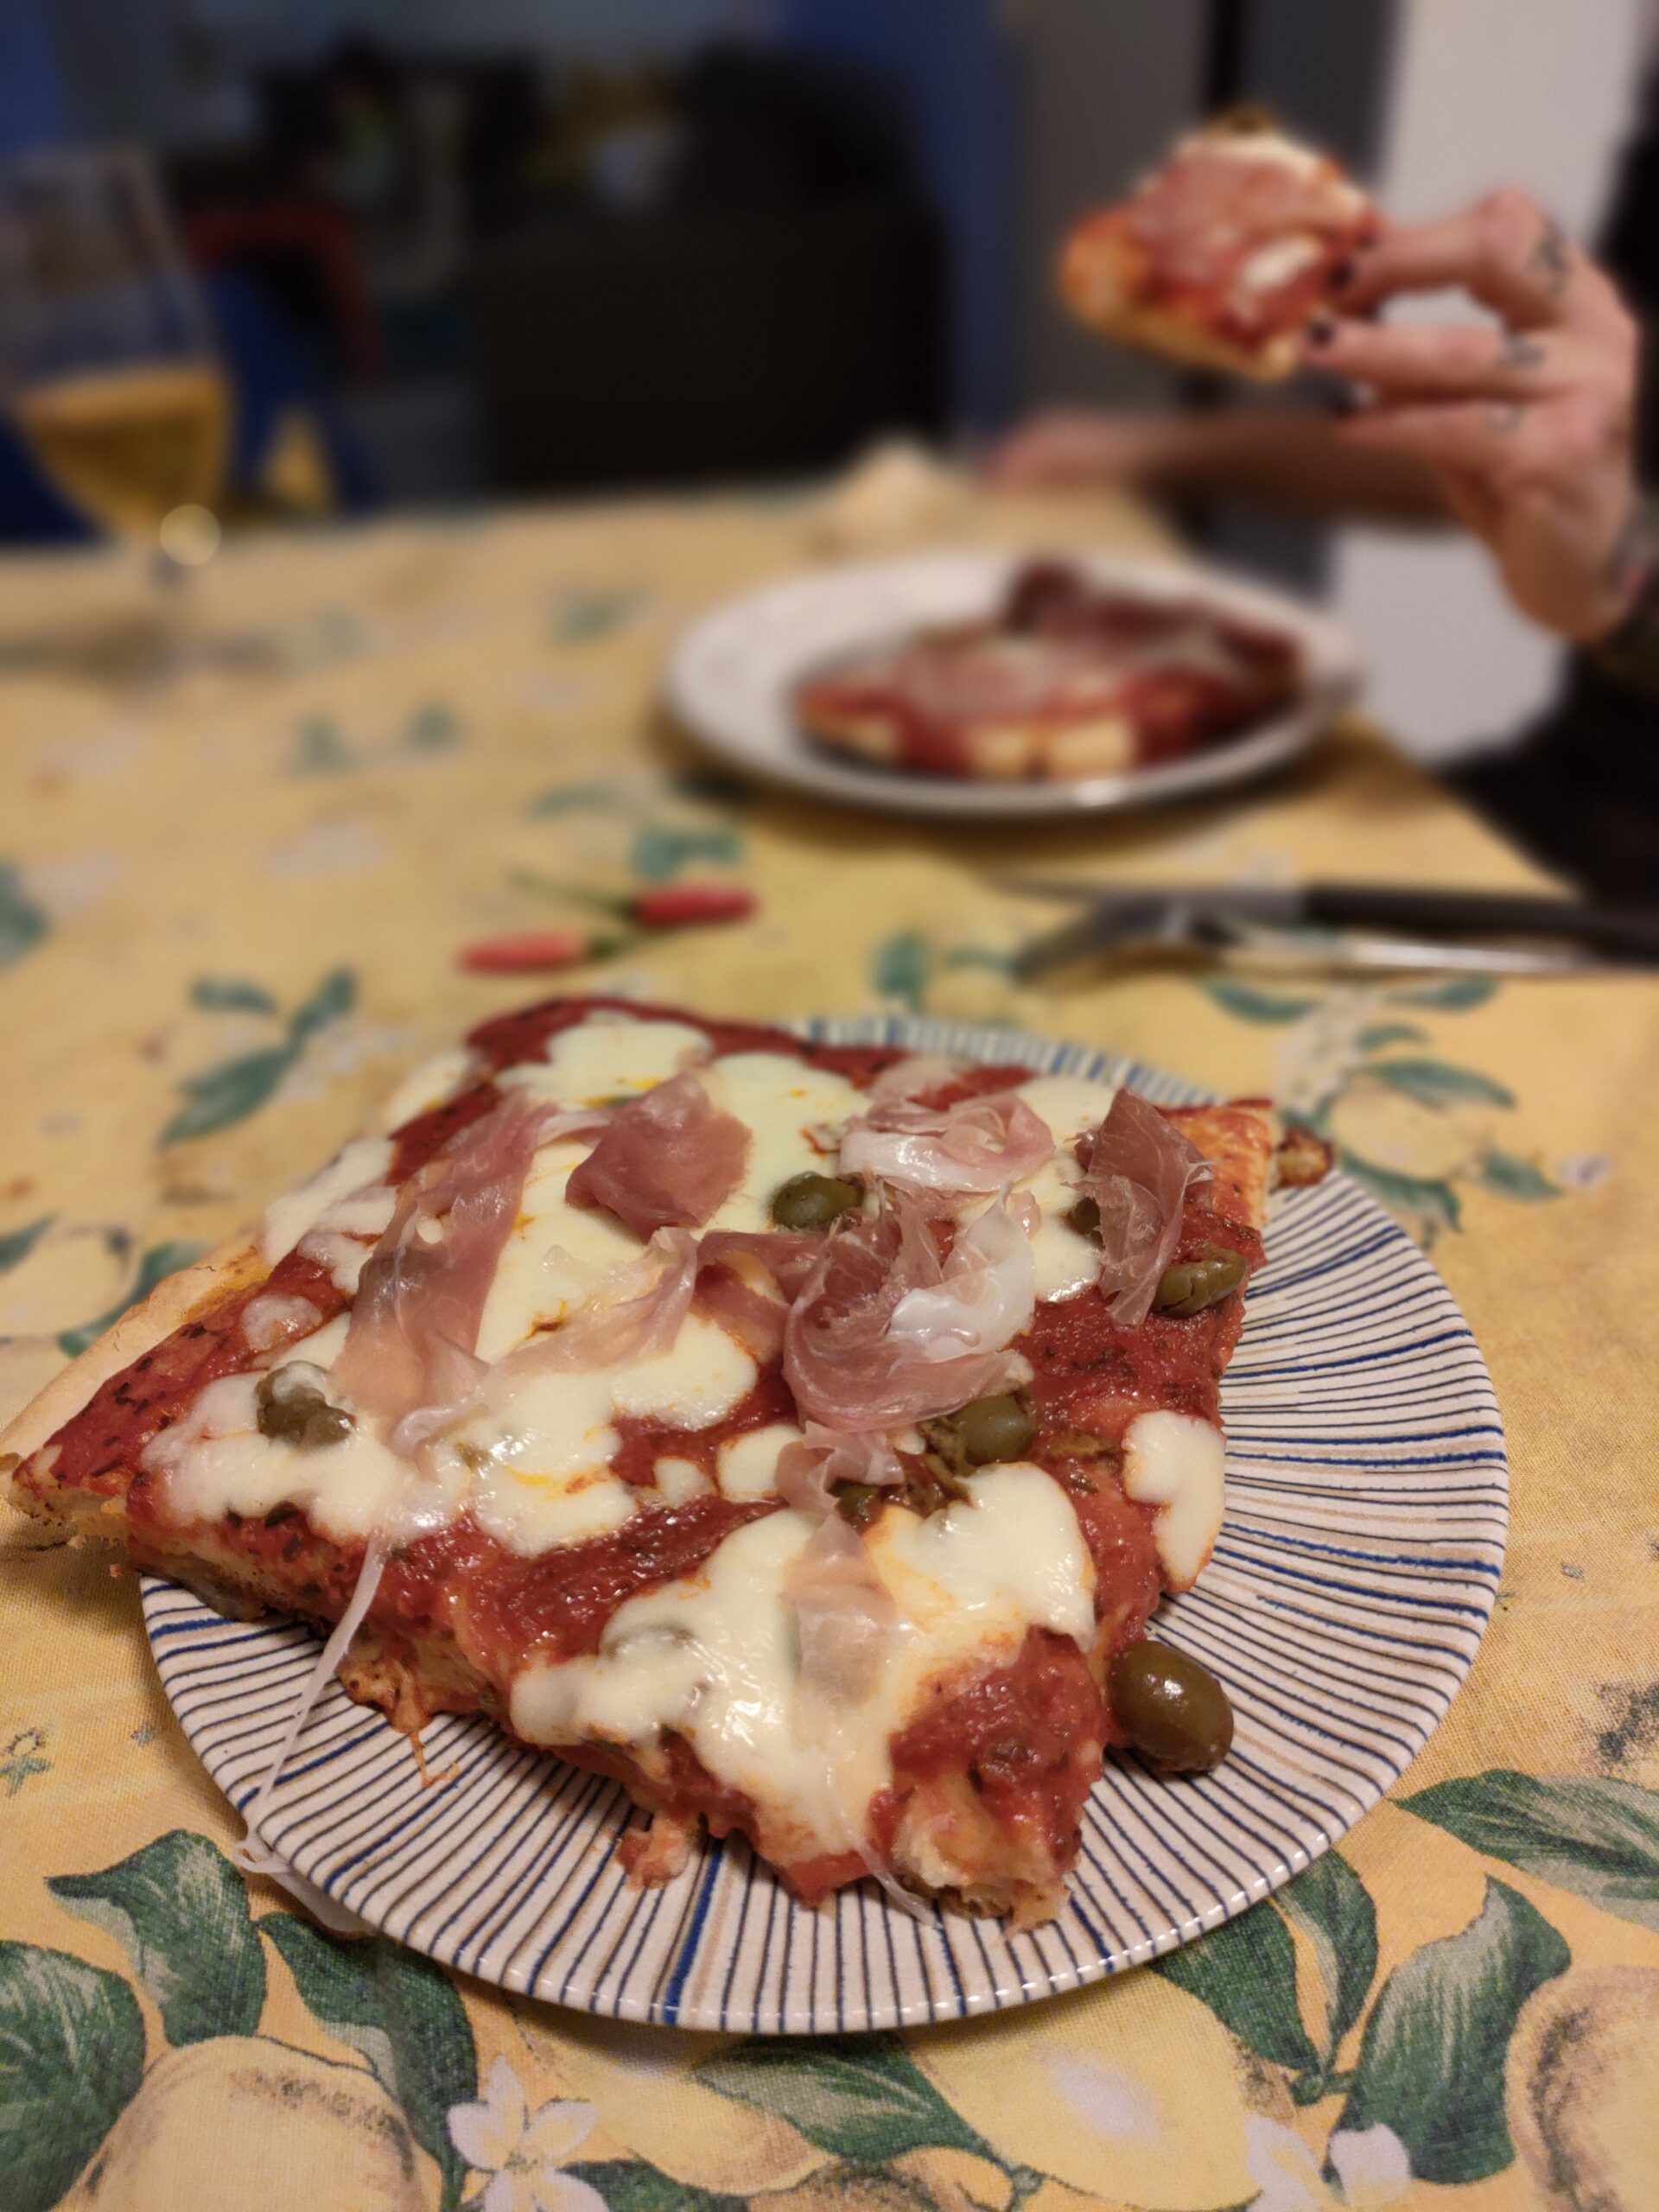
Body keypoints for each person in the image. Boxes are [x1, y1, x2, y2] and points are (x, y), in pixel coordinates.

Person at [990, 188, 1659, 903]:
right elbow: (1543, 465)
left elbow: (1614, 529)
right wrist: (1153, 453)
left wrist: (1631, 601)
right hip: (1556, 800)